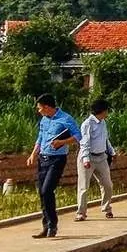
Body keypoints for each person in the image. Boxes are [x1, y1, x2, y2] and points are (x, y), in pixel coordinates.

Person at [26, 92, 81, 239]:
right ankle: (46, 226)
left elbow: (78, 135)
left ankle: (52, 225)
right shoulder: (44, 120)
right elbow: (40, 137)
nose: (39, 111)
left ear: (47, 107)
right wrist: (33, 154)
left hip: (57, 159)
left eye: (40, 108)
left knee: (47, 189)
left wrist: (62, 142)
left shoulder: (65, 119)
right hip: (43, 159)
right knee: (42, 193)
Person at [75, 98, 115, 222]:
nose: (107, 113)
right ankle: (81, 213)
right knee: (83, 186)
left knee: (107, 184)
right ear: (102, 111)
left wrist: (112, 151)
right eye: (106, 110)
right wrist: (86, 159)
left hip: (101, 157)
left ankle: (106, 208)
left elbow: (105, 139)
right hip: (88, 158)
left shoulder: (103, 122)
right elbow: (84, 142)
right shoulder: (87, 124)